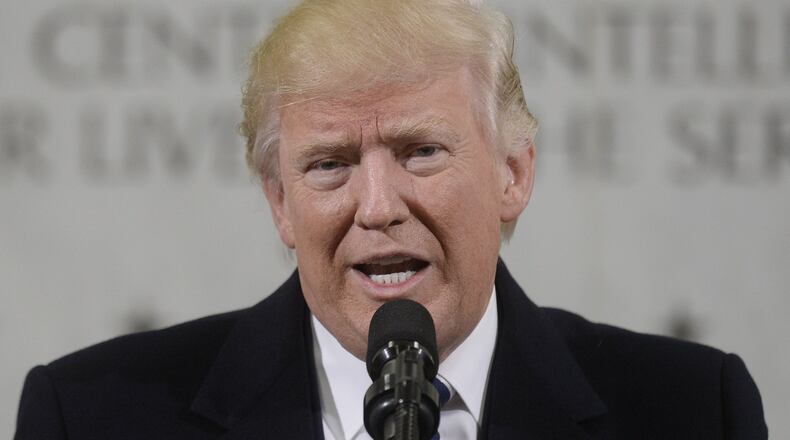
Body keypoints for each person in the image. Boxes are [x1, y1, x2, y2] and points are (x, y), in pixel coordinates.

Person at [15, 0, 767, 439]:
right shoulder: (89, 417)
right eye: (329, 164)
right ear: (280, 201)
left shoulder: (693, 412)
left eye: (421, 151)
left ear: (514, 173)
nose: (377, 208)